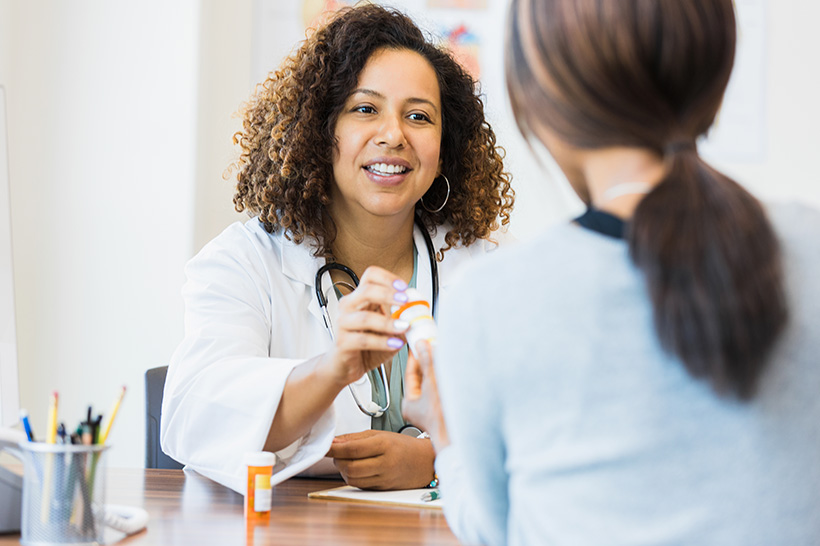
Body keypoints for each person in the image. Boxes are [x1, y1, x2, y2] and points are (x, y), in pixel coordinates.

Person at [403, 0, 820, 544]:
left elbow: (495, 530)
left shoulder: (492, 299)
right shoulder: (810, 249)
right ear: (714, 77)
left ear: (539, 97)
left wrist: (444, 434)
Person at [160, 4, 513, 494]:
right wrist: (333, 369)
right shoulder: (245, 262)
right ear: (320, 129)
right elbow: (195, 418)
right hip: (283, 523)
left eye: (418, 116)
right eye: (365, 109)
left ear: (444, 147)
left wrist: (436, 460)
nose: (393, 135)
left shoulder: (485, 270)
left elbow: (542, 422)